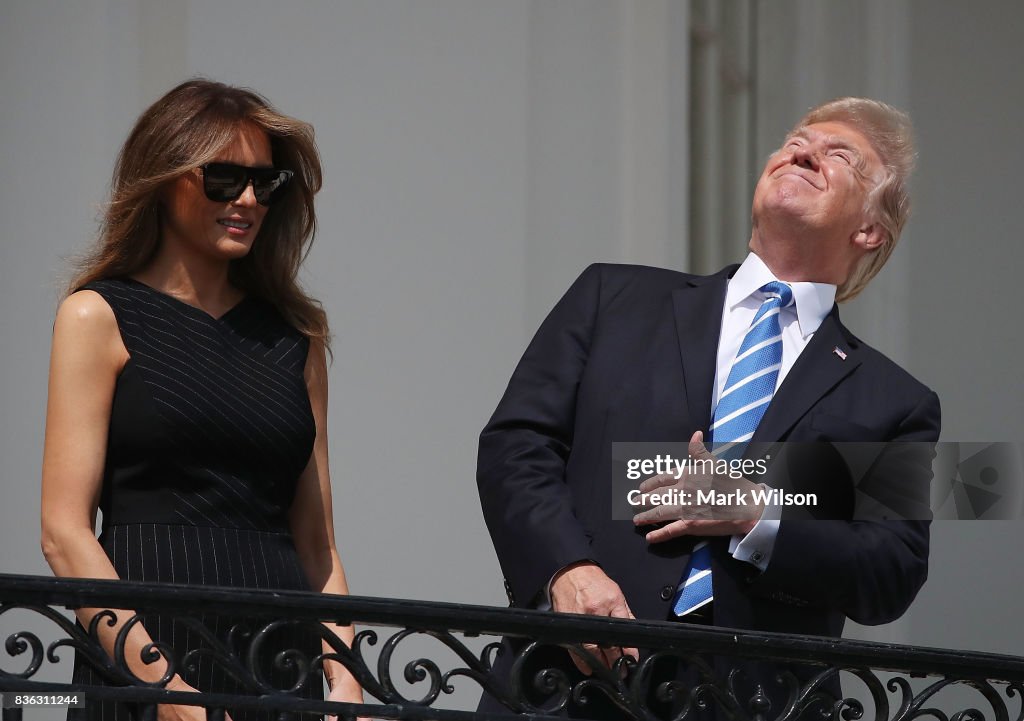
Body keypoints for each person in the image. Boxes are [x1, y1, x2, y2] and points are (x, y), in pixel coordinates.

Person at [476, 97, 940, 718]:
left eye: (841, 157)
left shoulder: (893, 401)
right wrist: (567, 571)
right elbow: (517, 447)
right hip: (565, 683)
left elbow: (891, 569)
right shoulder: (613, 298)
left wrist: (758, 516)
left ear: (869, 230)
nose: (802, 150)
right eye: (795, 140)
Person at [40, 79, 363, 721]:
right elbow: (62, 530)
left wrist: (345, 681)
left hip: (279, 656)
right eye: (222, 178)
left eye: (264, 184)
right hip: (146, 653)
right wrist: (167, 692)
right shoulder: (97, 316)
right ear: (164, 179)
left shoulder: (296, 340)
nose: (246, 198)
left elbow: (318, 543)